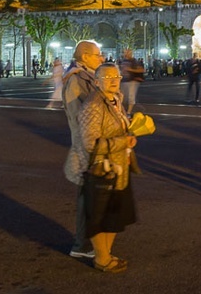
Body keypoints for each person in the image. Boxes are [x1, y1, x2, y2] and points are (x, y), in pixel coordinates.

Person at [78, 63, 137, 273]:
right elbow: (90, 143)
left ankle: (106, 253)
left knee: (114, 215)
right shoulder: (94, 104)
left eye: (117, 76)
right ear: (96, 82)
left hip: (119, 166)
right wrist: (123, 142)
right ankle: (102, 259)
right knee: (100, 216)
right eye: (107, 77)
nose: (113, 80)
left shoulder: (115, 99)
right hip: (102, 169)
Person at [63, 40, 104, 259]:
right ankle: (82, 244)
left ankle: (87, 240)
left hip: (91, 142)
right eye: (98, 55)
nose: (101, 58)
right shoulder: (76, 79)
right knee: (86, 194)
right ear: (85, 56)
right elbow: (79, 115)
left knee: (91, 194)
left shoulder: (85, 76)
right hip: (86, 144)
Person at [119, 49, 144, 114]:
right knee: (123, 97)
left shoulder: (134, 61)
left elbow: (141, 70)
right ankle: (136, 108)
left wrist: (130, 69)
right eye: (125, 52)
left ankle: (128, 112)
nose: (126, 53)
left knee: (130, 97)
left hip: (132, 81)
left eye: (128, 52)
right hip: (123, 80)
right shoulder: (122, 61)